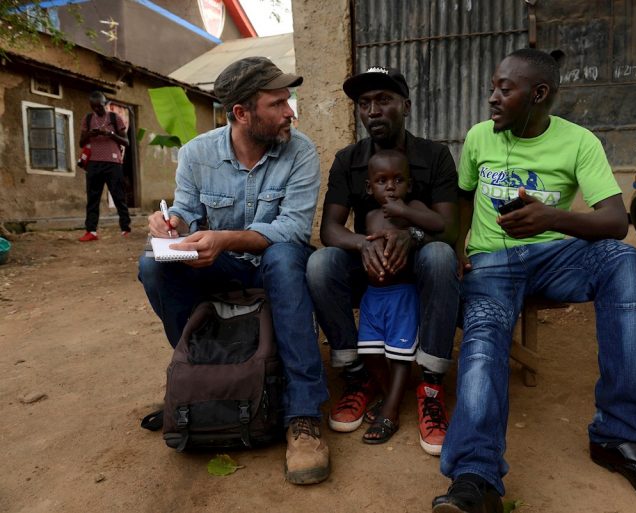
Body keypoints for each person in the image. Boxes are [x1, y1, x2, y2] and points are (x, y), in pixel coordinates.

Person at [432, 49, 636, 513]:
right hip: (491, 266)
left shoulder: (580, 142)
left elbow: (617, 222)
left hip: (553, 256)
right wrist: (458, 253)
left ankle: (619, 439)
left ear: (538, 95)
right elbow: (462, 198)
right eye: (493, 87)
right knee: (483, 342)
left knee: (623, 262)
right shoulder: (479, 137)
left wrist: (551, 218)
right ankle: (475, 476)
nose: (492, 98)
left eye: (505, 89)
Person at [137, 57, 330, 485]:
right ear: (242, 113)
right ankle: (199, 380)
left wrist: (223, 238)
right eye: (278, 103)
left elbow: (294, 229)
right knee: (153, 265)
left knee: (283, 255)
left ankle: (303, 416)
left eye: (288, 101)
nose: (290, 112)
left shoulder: (300, 151)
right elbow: (186, 212)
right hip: (218, 266)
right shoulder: (196, 154)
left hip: (274, 268)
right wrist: (171, 226)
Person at [306, 66, 459, 456]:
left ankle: (430, 385)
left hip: (419, 264)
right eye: (364, 103)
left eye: (384, 100)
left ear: (405, 105)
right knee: (321, 264)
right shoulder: (348, 160)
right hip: (371, 268)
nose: (373, 110)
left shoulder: (435, 156)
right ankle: (357, 377)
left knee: (441, 255)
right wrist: (363, 245)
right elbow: (330, 230)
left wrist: (415, 236)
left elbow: (448, 229)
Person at [357, 149, 446, 445]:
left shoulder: (414, 207)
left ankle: (391, 411)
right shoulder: (368, 216)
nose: (391, 187)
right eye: (382, 181)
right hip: (373, 296)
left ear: (409, 184)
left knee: (398, 357)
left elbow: (439, 225)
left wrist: (406, 214)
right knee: (370, 353)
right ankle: (389, 394)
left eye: (398, 180)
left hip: (402, 297)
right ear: (370, 187)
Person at [77, 91, 131, 241]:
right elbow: (81, 142)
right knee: (92, 198)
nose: (97, 110)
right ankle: (91, 231)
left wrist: (111, 134)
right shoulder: (87, 119)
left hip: (113, 163)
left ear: (105, 104)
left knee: (119, 196)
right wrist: (90, 134)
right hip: (93, 163)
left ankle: (125, 228)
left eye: (100, 106)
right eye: (94, 107)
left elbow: (126, 142)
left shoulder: (115, 118)